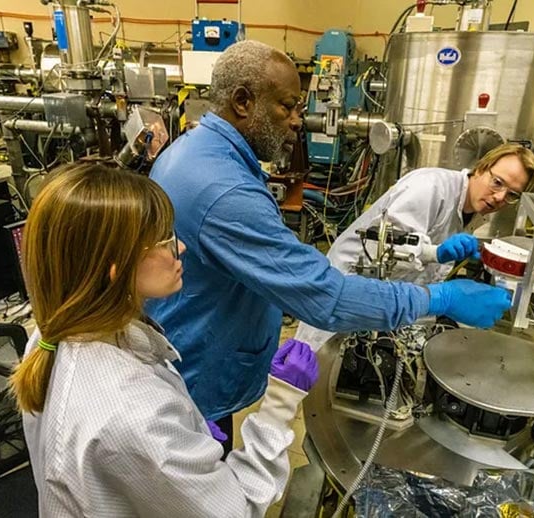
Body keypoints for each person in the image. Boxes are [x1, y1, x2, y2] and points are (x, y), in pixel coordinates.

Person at [147, 40, 512, 453]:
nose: (298, 122)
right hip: (197, 375)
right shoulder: (224, 189)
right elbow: (328, 297)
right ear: (244, 102)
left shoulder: (196, 152)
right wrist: (439, 297)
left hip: (191, 352)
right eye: (288, 106)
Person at [8, 163, 319, 518]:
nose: (181, 247)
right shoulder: (133, 415)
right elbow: (238, 511)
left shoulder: (52, 336)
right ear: (116, 268)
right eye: (164, 241)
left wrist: (186, 436)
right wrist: (280, 407)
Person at [295, 143, 534, 349]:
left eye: (512, 195)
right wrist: (436, 253)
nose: (500, 197)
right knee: (310, 369)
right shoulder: (431, 187)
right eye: (497, 182)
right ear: (481, 168)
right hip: (348, 286)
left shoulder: (474, 209)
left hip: (389, 300)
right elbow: (383, 245)